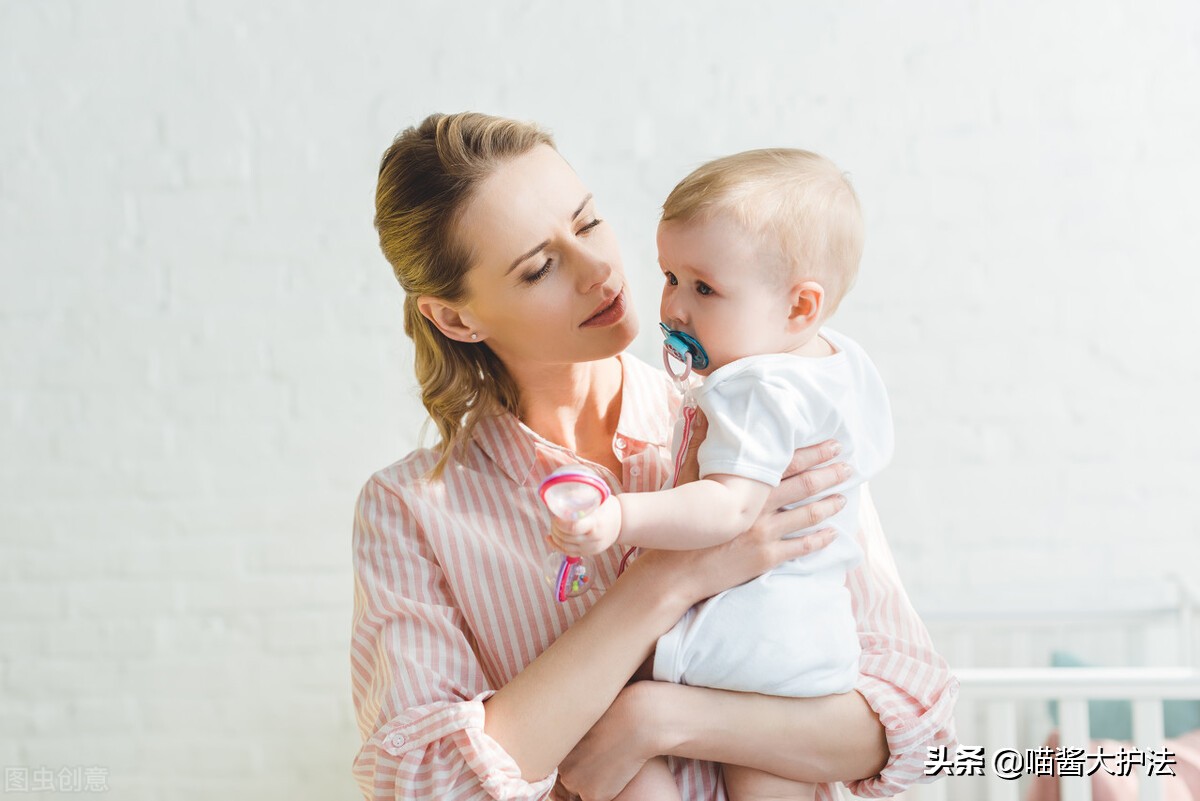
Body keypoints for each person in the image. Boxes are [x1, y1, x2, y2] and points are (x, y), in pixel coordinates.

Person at [351, 111, 958, 801]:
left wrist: (659, 719)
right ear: (458, 319)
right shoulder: (410, 511)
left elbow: (916, 723)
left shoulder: (759, 415)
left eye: (586, 222)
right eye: (541, 267)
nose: (599, 270)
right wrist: (668, 579)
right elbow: (422, 785)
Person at [548, 149, 894, 801]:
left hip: (741, 648)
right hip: (812, 658)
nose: (674, 306)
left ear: (799, 307)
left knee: (604, 735)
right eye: (670, 276)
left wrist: (624, 515)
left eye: (704, 288)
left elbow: (729, 510)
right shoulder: (839, 363)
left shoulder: (753, 386)